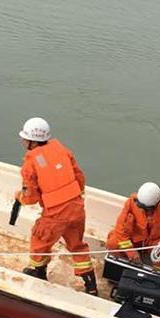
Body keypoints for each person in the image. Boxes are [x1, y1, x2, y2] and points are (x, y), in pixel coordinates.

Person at [16, 117, 98, 295]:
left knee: (40, 240)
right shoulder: (62, 150)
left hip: (55, 215)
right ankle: (91, 286)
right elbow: (80, 178)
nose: (22, 141)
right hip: (77, 208)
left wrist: (20, 197)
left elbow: (30, 198)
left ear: (31, 141)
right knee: (77, 246)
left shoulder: (30, 164)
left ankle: (38, 273)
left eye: (25, 138)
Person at [106, 182, 160, 273]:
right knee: (112, 243)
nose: (144, 210)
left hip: (155, 241)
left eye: (148, 208)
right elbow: (120, 229)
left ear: (157, 202)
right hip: (134, 239)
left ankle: (155, 276)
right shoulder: (131, 203)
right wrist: (131, 252)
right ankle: (122, 269)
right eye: (141, 206)